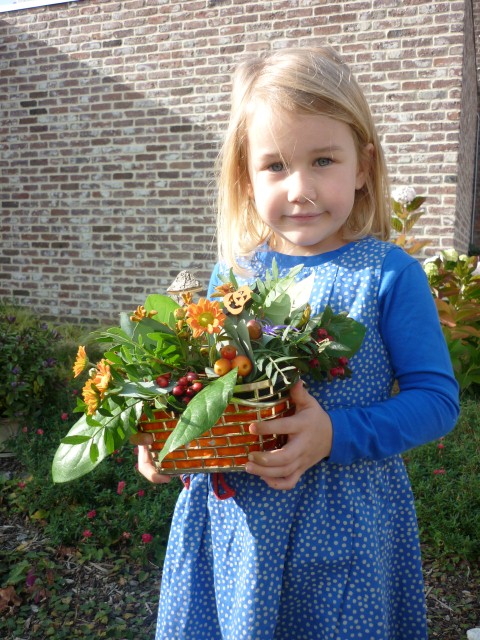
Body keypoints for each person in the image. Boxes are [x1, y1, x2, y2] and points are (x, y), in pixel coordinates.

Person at [137, 46, 459, 640]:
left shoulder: (388, 275)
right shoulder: (233, 278)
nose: (301, 188)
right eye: (275, 166)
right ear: (245, 176)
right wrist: (173, 439)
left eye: (324, 160)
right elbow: (210, 390)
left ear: (363, 166)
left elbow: (437, 401)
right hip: (239, 525)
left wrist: (335, 434)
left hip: (346, 524)